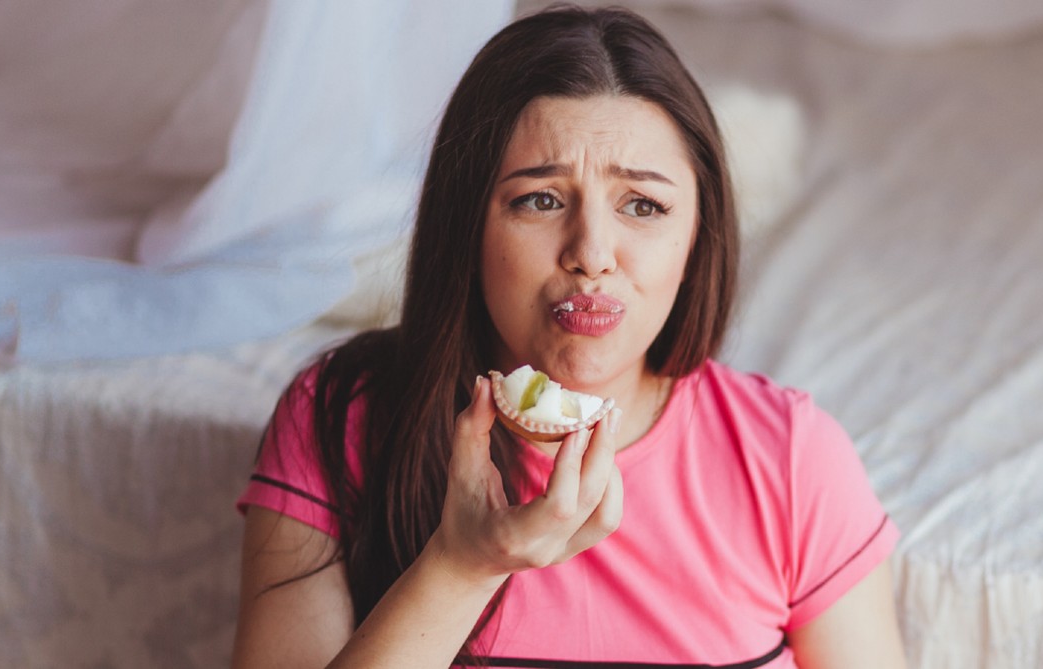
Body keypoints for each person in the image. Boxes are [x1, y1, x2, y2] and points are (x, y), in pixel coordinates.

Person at [231, 5, 907, 668]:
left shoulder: (791, 459)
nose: (591, 252)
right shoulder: (339, 417)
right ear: (467, 226)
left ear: (698, 238)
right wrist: (462, 565)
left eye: (643, 206)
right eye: (541, 200)